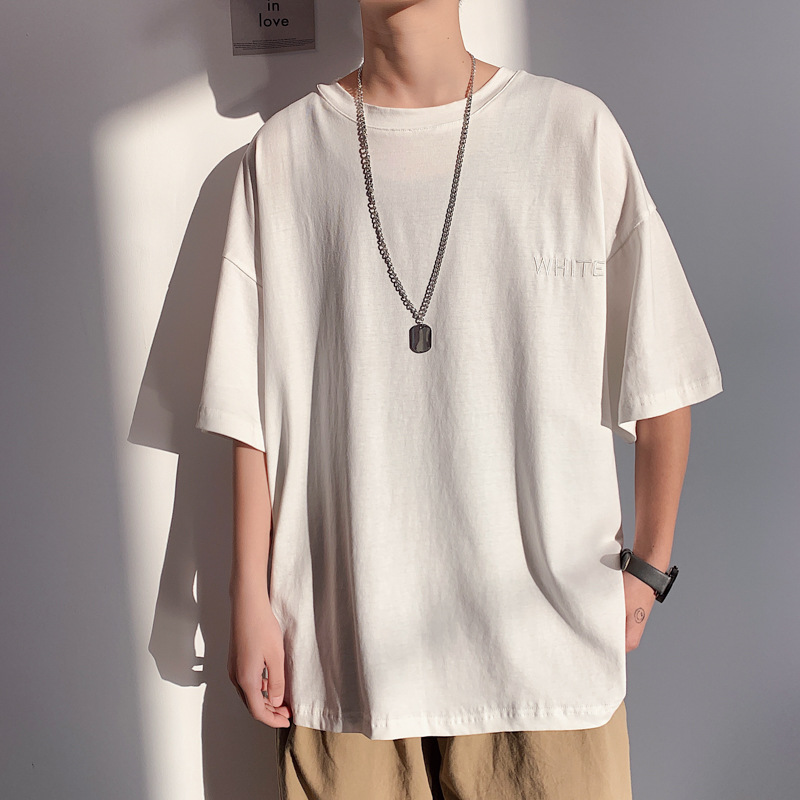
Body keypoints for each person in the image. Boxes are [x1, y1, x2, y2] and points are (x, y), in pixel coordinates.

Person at [195, 1, 724, 797]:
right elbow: (250, 409)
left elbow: (664, 372)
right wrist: (250, 600)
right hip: (348, 655)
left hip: (546, 665)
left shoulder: (571, 132)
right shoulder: (286, 155)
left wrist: (647, 574)